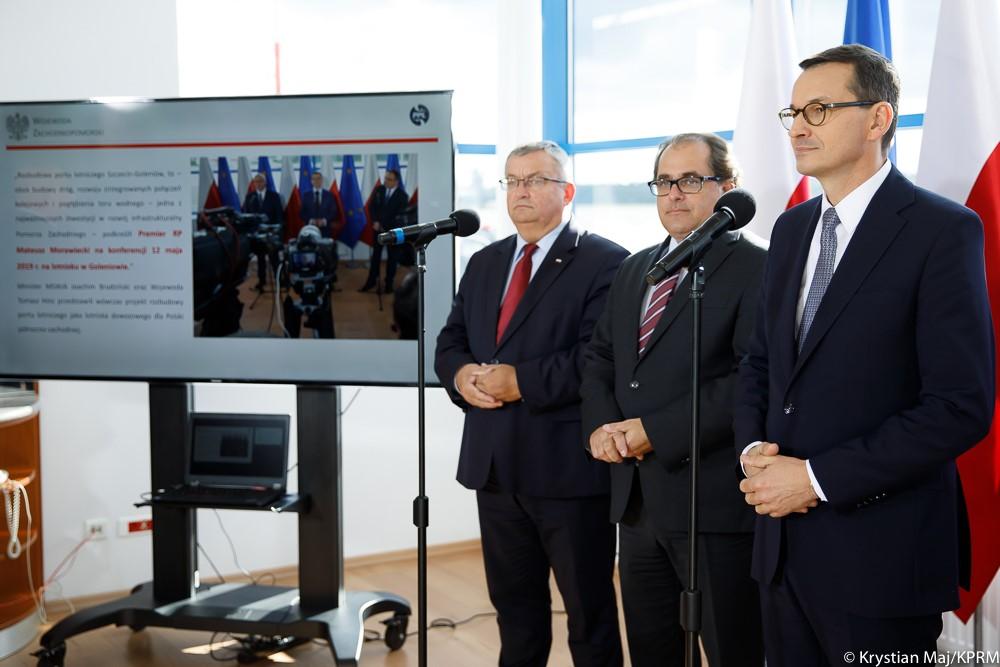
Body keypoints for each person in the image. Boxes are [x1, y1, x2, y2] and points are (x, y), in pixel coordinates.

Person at [735, 44, 994, 664]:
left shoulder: (941, 230)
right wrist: (754, 452)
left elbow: (959, 406)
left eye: (819, 110)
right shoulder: (792, 227)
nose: (798, 126)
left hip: (881, 558)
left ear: (879, 119)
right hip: (781, 548)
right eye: (792, 112)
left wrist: (817, 480)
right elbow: (761, 364)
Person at [435, 141, 627, 667]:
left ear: (566, 192)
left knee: (589, 613)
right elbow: (450, 341)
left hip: (566, 470)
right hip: (494, 466)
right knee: (514, 611)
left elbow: (598, 358)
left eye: (535, 180)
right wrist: (461, 375)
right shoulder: (484, 262)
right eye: (512, 181)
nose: (521, 191)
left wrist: (520, 381)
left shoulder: (607, 262)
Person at [581, 133, 765, 667]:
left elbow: (748, 381)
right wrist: (601, 428)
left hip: (712, 504)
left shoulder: (756, 268)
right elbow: (599, 359)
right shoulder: (636, 267)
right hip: (636, 503)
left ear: (727, 188)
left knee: (732, 649)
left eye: (690, 180)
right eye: (664, 182)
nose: (674, 194)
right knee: (651, 647)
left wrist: (654, 431)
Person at [359, 168, 409, 294]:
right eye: (386, 178)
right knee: (375, 257)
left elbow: (400, 216)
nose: (386, 181)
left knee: (392, 259)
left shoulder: (403, 196)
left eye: (390, 179)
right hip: (378, 230)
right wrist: (375, 221)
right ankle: (371, 282)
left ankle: (388, 285)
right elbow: (372, 207)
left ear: (396, 182)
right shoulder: (379, 190)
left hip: (393, 232)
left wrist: (384, 226)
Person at [242, 172, 284, 290]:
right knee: (260, 260)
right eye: (256, 182)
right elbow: (247, 216)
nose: (258, 184)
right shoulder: (250, 197)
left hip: (271, 234)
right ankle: (261, 281)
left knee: (274, 259)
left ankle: (278, 280)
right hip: (257, 235)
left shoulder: (274, 196)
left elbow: (279, 215)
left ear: (265, 183)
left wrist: (278, 231)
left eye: (260, 181)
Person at [300, 171, 341, 238]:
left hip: (325, 229)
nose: (316, 181)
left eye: (318, 179)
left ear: (321, 180)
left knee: (325, 247)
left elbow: (334, 212)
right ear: (311, 181)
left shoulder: (329, 195)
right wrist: (311, 221)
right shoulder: (306, 195)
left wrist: (324, 221)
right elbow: (302, 213)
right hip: (310, 229)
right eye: (314, 179)